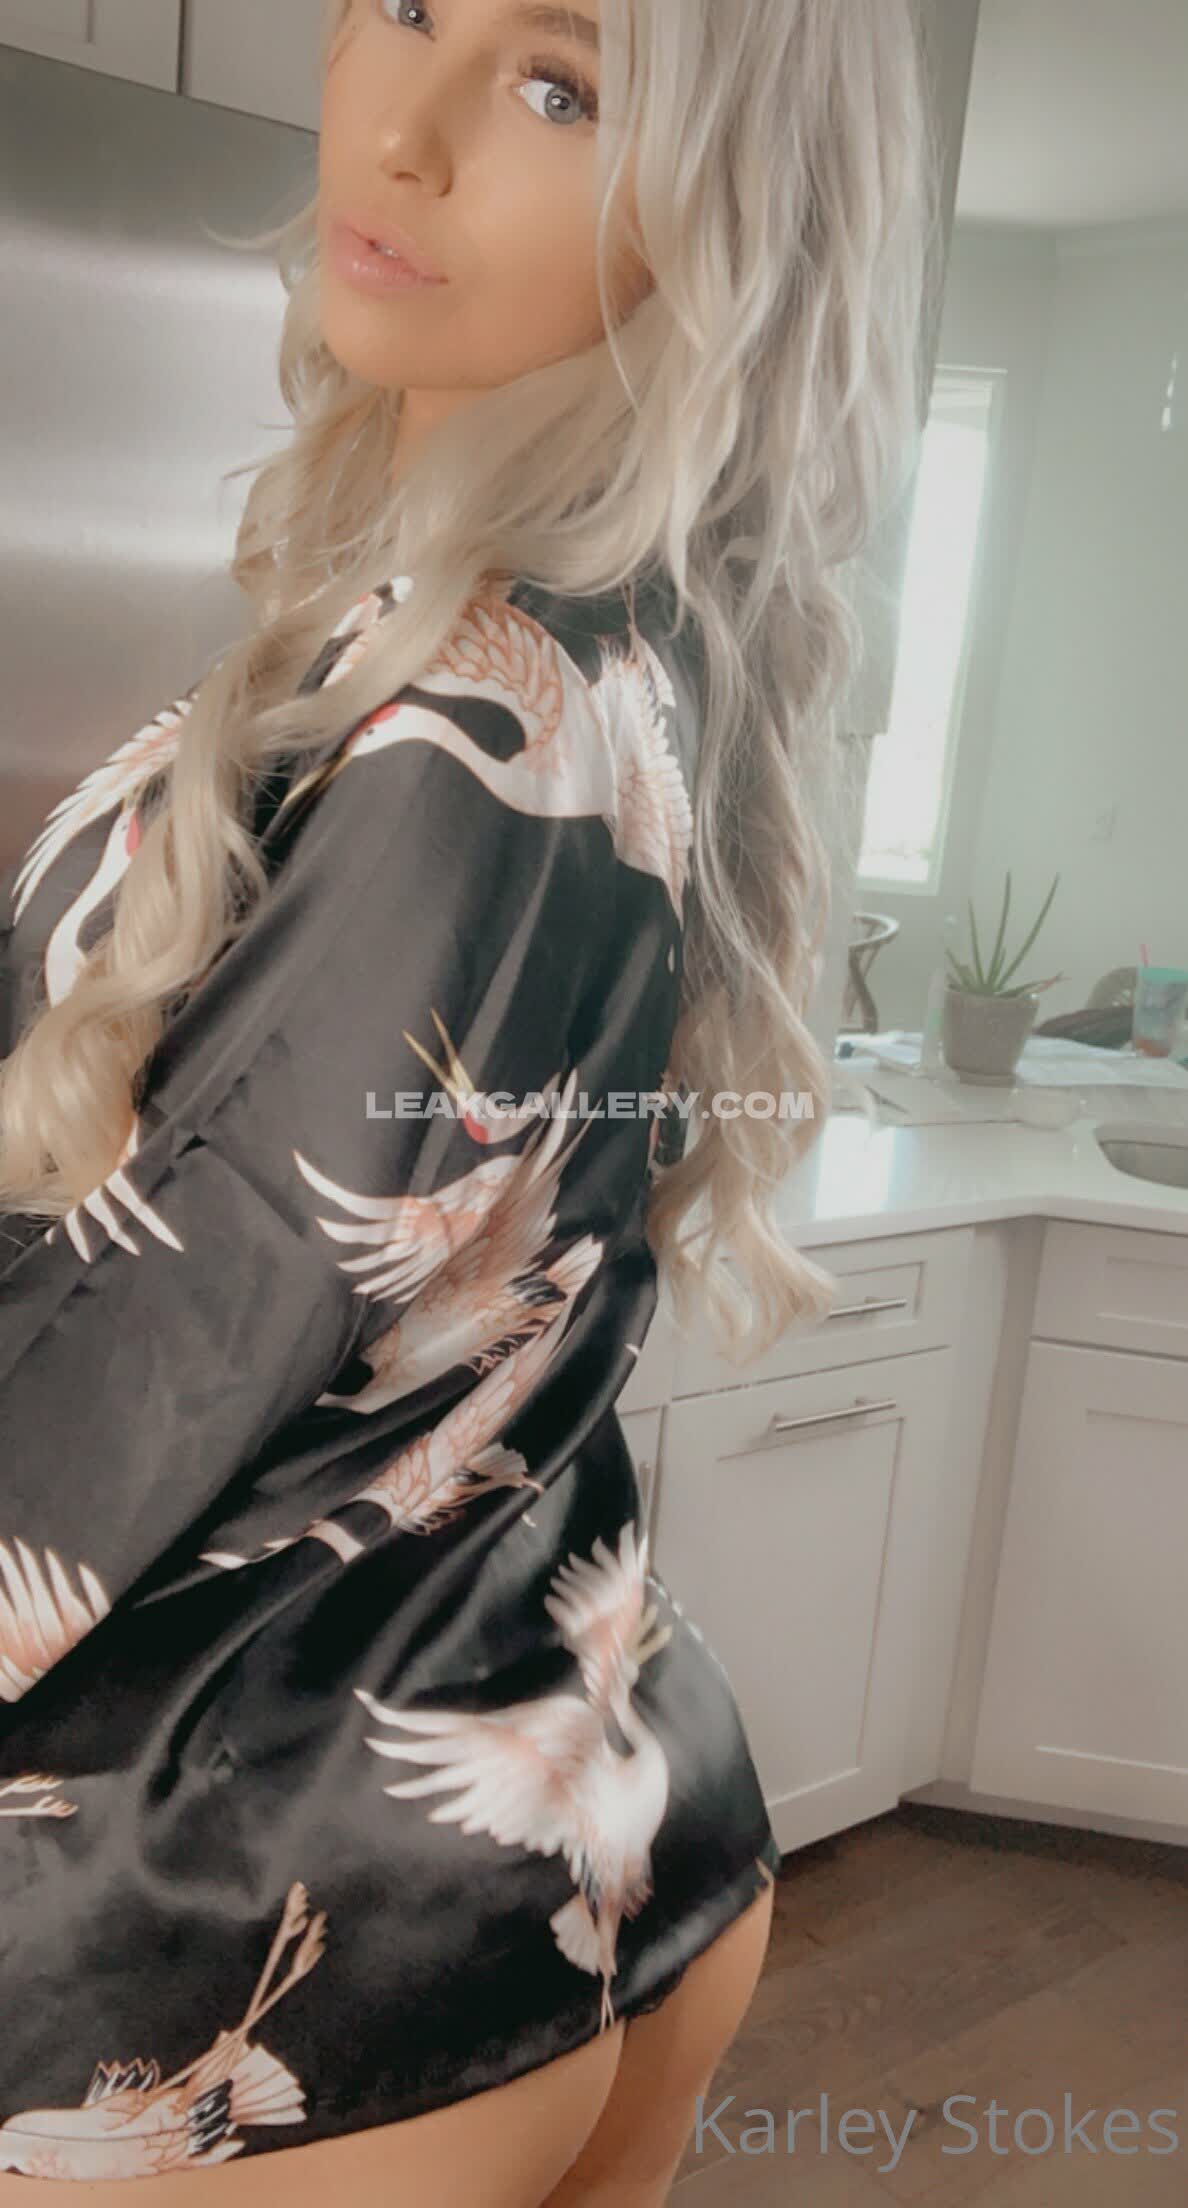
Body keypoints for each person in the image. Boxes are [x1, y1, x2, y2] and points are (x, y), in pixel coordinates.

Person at [0, 0, 933, 2199]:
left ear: (723, 211)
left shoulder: (457, 717)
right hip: (577, 1770)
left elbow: (161, 1344)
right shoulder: (617, 643)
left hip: (240, 1913)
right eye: (408, 6)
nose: (404, 132)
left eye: (557, 84)